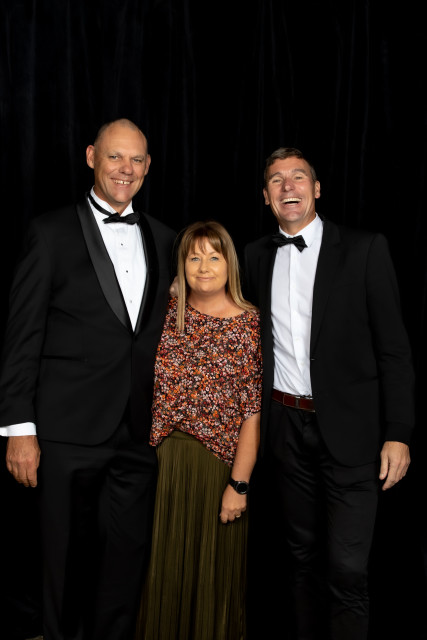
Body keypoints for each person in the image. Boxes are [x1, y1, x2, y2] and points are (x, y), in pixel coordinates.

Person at [0, 118, 176, 640]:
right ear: (91, 157)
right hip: (65, 430)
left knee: (125, 560)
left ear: (148, 167)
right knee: (63, 561)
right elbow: (23, 335)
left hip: (138, 432)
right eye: (115, 156)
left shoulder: (166, 238)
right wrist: (19, 429)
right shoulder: (50, 232)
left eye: (137, 160)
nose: (126, 169)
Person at [244, 147, 415, 640]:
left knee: (346, 568)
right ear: (266, 196)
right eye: (277, 180)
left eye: (298, 177)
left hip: (353, 432)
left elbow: (394, 350)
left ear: (316, 189)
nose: (288, 186)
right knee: (300, 560)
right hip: (284, 428)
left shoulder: (364, 249)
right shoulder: (254, 256)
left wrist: (399, 432)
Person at [135, 220, 262, 640]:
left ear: (230, 264)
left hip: (215, 470)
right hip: (160, 466)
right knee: (159, 575)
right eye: (194, 258)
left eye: (214, 257)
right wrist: (171, 290)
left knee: (210, 581)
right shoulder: (166, 312)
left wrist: (239, 485)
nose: (204, 267)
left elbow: (252, 414)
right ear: (181, 266)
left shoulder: (250, 325)